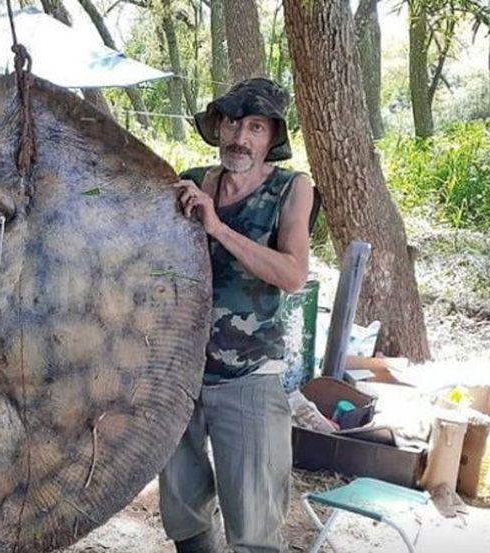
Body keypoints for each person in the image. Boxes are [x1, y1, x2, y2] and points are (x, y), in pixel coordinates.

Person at [159, 78, 315, 553]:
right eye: (232, 122)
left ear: (272, 138)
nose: (240, 137)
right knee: (183, 512)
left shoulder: (292, 188)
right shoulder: (192, 180)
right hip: (180, 376)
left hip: (248, 379)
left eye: (255, 127)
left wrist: (217, 227)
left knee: (252, 527)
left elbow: (292, 275)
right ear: (218, 127)